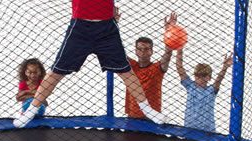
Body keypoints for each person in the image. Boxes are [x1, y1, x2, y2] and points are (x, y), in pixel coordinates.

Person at [13, 2, 165, 128]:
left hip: (106, 27)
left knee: (126, 72)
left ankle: (147, 109)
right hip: (80, 27)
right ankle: (31, 111)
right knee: (56, 72)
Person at [123, 12, 178, 120]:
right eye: (140, 49)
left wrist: (170, 32)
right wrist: (114, 23)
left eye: (146, 49)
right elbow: (118, 50)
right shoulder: (131, 66)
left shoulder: (157, 68)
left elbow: (168, 53)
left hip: (152, 118)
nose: (143, 52)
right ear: (135, 51)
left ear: (151, 51)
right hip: (132, 117)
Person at [174, 46, 232, 132]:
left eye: (204, 76)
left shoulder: (211, 90)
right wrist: (179, 49)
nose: (200, 78)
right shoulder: (190, 86)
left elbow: (219, 79)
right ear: (194, 76)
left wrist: (225, 67)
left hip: (208, 132)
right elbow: (179, 67)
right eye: (197, 76)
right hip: (190, 130)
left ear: (209, 77)